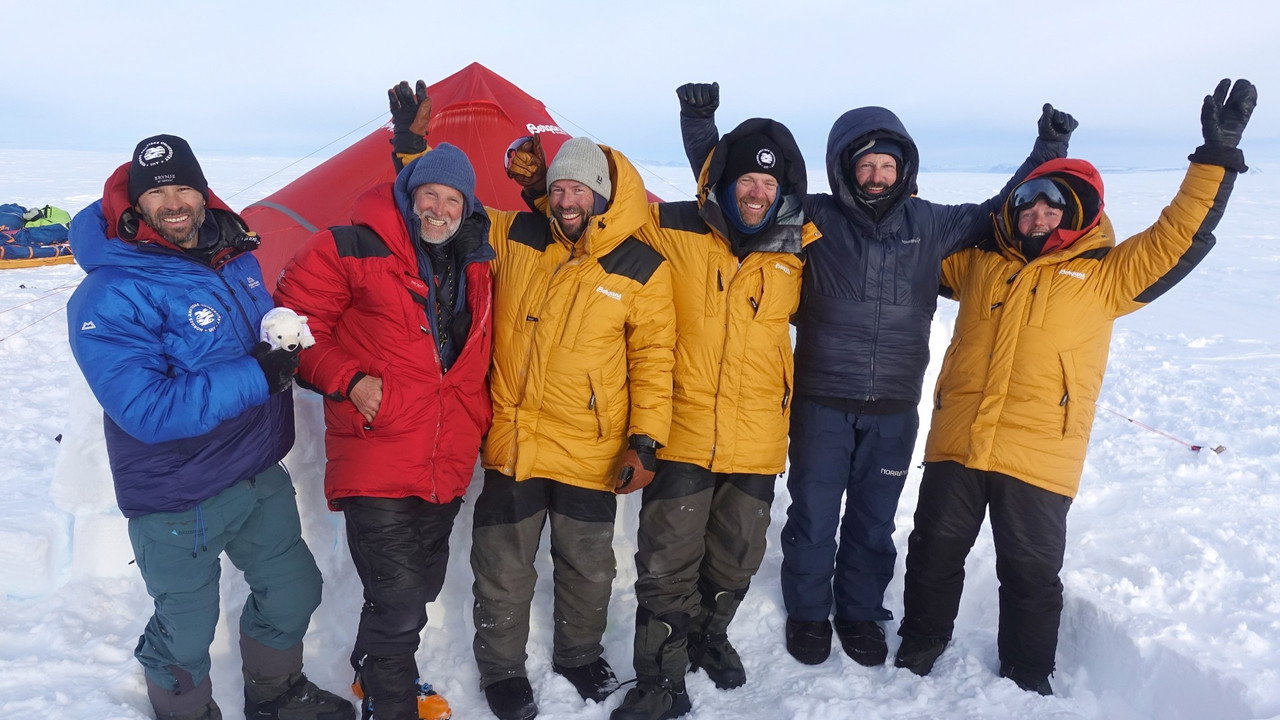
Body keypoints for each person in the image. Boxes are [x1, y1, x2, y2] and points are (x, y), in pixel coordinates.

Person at [683, 91, 1078, 668]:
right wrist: (700, 126)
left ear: (905, 169)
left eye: (888, 165)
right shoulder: (814, 218)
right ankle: (811, 613)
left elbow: (1002, 207)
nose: (876, 175)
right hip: (821, 399)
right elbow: (740, 190)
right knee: (814, 515)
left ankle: (861, 612)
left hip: (895, 405)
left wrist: (1049, 149)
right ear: (845, 166)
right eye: (865, 163)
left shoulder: (933, 224)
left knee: (873, 519)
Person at [894, 79, 1256, 695]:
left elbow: (1177, 235)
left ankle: (1028, 673)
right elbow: (906, 246)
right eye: (1030, 205)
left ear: (1078, 214)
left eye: (1053, 206)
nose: (1037, 215)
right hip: (958, 438)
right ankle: (922, 643)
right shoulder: (981, 264)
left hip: (1039, 452)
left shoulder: (1105, 276)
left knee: (1031, 573)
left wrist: (1215, 159)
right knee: (931, 551)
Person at [386, 82, 677, 720]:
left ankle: (577, 654)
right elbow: (444, 210)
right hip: (514, 442)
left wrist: (646, 439)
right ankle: (501, 673)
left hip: (591, 449)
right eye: (562, 188)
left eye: (581, 190)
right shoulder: (515, 235)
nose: (569, 200)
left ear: (603, 195)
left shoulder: (641, 267)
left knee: (588, 569)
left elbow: (656, 361)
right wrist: (411, 150)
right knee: (502, 569)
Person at [65, 134, 353, 720]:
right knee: (185, 633)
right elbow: (146, 409)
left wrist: (276, 331)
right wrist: (257, 373)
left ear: (202, 194)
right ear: (134, 207)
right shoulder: (109, 293)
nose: (173, 202)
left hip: (254, 471)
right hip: (176, 492)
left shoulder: (235, 256)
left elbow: (242, 335)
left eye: (183, 188)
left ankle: (275, 695)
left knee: (295, 590)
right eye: (157, 193)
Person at [582, 83, 819, 720]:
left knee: (735, 560)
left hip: (758, 440)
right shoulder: (675, 229)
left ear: (784, 192)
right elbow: (613, 215)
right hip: (683, 433)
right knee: (667, 564)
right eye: (746, 181)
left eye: (769, 186)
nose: (757, 193)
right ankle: (661, 678)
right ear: (726, 183)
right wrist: (700, 131)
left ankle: (709, 635)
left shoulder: (798, 249)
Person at [273, 136, 495, 720]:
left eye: (452, 199)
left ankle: (371, 670)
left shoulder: (477, 263)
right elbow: (292, 327)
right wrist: (349, 381)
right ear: (408, 195)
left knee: (418, 588)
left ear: (467, 208)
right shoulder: (347, 247)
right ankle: (390, 704)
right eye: (430, 194)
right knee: (399, 599)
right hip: (378, 448)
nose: (439, 208)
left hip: (445, 453)